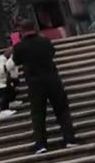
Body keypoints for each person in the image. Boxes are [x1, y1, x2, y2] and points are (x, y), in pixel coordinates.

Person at [10, 18, 79, 154]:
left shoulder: (19, 47)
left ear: (21, 31)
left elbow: (16, 61)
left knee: (38, 114)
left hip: (35, 83)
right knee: (62, 111)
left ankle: (41, 144)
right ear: (35, 28)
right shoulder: (44, 41)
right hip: (52, 80)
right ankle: (69, 139)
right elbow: (52, 53)